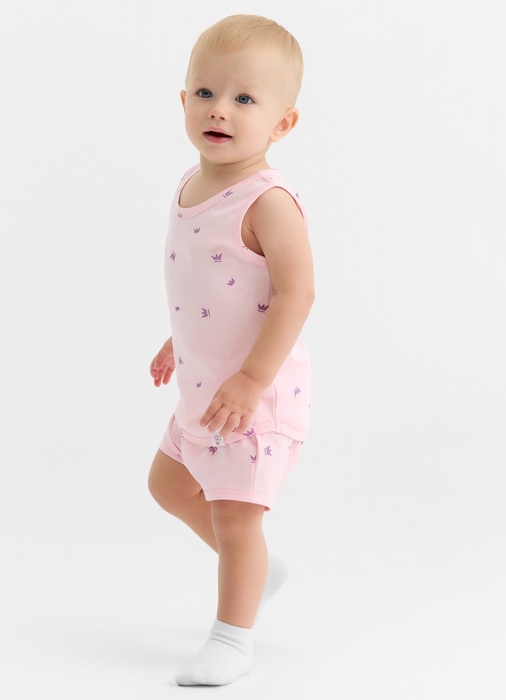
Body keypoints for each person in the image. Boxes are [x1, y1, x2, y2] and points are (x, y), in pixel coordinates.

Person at [147, 14, 314, 687]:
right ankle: (256, 571)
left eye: (245, 98)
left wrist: (251, 378)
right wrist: (180, 339)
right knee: (168, 486)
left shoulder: (267, 201)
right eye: (206, 92)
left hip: (252, 396)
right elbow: (216, 286)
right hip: (205, 385)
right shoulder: (192, 183)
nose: (220, 108)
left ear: (282, 123)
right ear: (183, 99)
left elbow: (296, 294)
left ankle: (232, 636)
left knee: (236, 516)